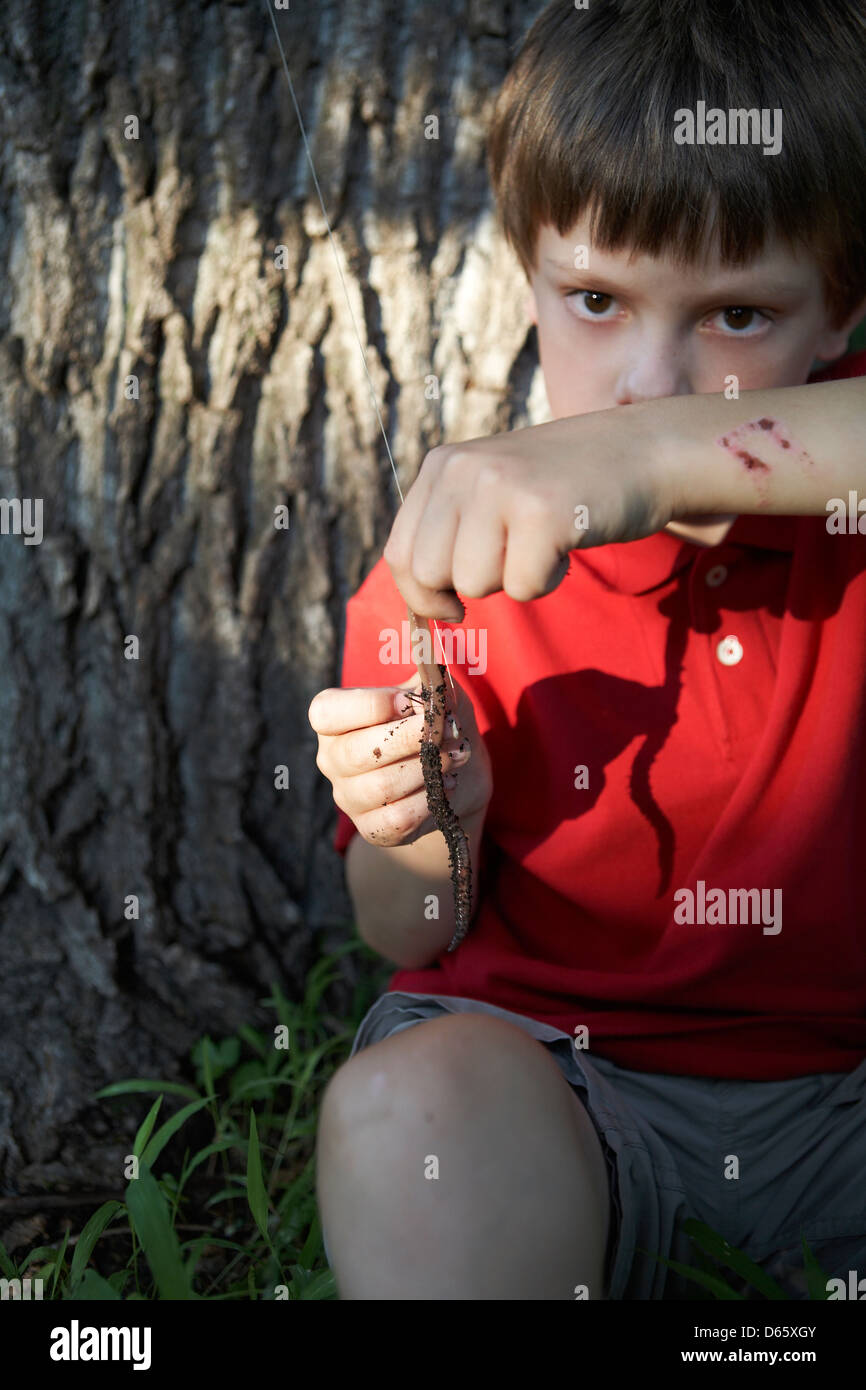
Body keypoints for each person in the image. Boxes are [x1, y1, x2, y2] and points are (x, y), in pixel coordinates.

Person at [308, 0, 866, 1299]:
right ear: (529, 277)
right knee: (414, 1111)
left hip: (841, 1097)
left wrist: (651, 455)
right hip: (559, 1087)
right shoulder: (458, 548)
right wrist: (420, 825)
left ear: (840, 311)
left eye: (735, 316)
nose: (647, 378)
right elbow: (407, 926)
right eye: (596, 301)